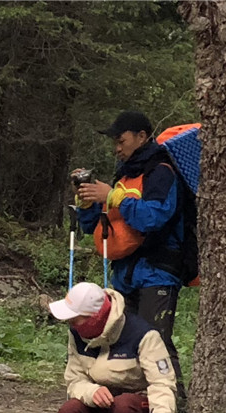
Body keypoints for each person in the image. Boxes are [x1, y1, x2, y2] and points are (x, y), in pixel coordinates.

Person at [76, 110, 191, 354]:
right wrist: (87, 205)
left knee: (156, 344)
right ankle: (132, 393)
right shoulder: (125, 175)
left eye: (121, 141)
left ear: (141, 136)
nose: (117, 149)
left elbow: (154, 217)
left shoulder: (162, 172)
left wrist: (114, 197)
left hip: (158, 271)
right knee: (124, 345)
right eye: (114, 143)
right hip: (125, 274)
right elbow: (96, 227)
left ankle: (172, 394)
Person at [50, 281, 177, 413]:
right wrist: (91, 392)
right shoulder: (76, 336)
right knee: (68, 412)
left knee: (124, 404)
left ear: (95, 318)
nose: (71, 324)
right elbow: (74, 380)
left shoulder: (144, 335)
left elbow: (162, 383)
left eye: (75, 319)